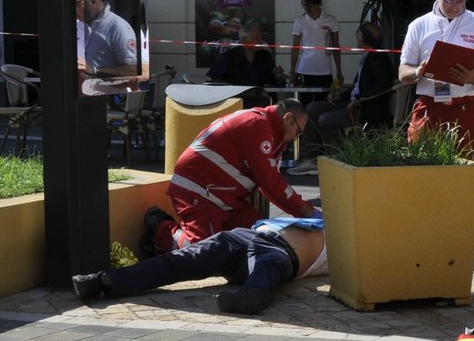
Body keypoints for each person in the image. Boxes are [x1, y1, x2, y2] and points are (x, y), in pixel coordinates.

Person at [144, 100, 319, 254]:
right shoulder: (257, 125)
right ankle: (160, 228)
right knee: (203, 252)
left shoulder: (271, 131)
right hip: (199, 192)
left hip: (226, 200)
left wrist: (303, 211)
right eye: (298, 133)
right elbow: (270, 182)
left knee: (261, 240)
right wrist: (306, 211)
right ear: (288, 119)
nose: (295, 139)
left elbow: (271, 185)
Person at [73, 218, 328, 315]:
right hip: (242, 235)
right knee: (178, 261)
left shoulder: (350, 241)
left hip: (281, 252)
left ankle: (252, 296)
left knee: (267, 267)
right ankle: (103, 281)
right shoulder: (319, 213)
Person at [397, 0, 474, 153]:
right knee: (422, 171)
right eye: (448, 0)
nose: (454, 7)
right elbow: (403, 72)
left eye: (460, 2)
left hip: (466, 108)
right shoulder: (419, 25)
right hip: (430, 107)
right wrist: (417, 72)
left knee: (466, 172)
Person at [302, 21, 397, 156]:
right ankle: (311, 157)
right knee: (312, 108)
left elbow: (384, 85)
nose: (357, 38)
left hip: (363, 109)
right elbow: (356, 88)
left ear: (363, 38)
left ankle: (337, 157)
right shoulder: (367, 56)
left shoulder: (377, 57)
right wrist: (340, 96)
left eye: (358, 35)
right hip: (352, 103)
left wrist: (359, 99)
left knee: (325, 119)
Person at [75, 0, 140, 84]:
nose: (74, 10)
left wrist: (95, 71)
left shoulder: (118, 27)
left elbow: (133, 70)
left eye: (76, 4)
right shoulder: (80, 24)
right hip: (84, 92)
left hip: (111, 95)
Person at [290, 0, 343, 91]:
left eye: (311, 6)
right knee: (305, 103)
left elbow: (336, 46)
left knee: (324, 103)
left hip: (325, 70)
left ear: (320, 4)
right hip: (305, 68)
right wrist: (293, 71)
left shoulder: (331, 20)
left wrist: (339, 71)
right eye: (305, 6)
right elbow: (295, 48)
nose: (308, 9)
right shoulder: (299, 21)